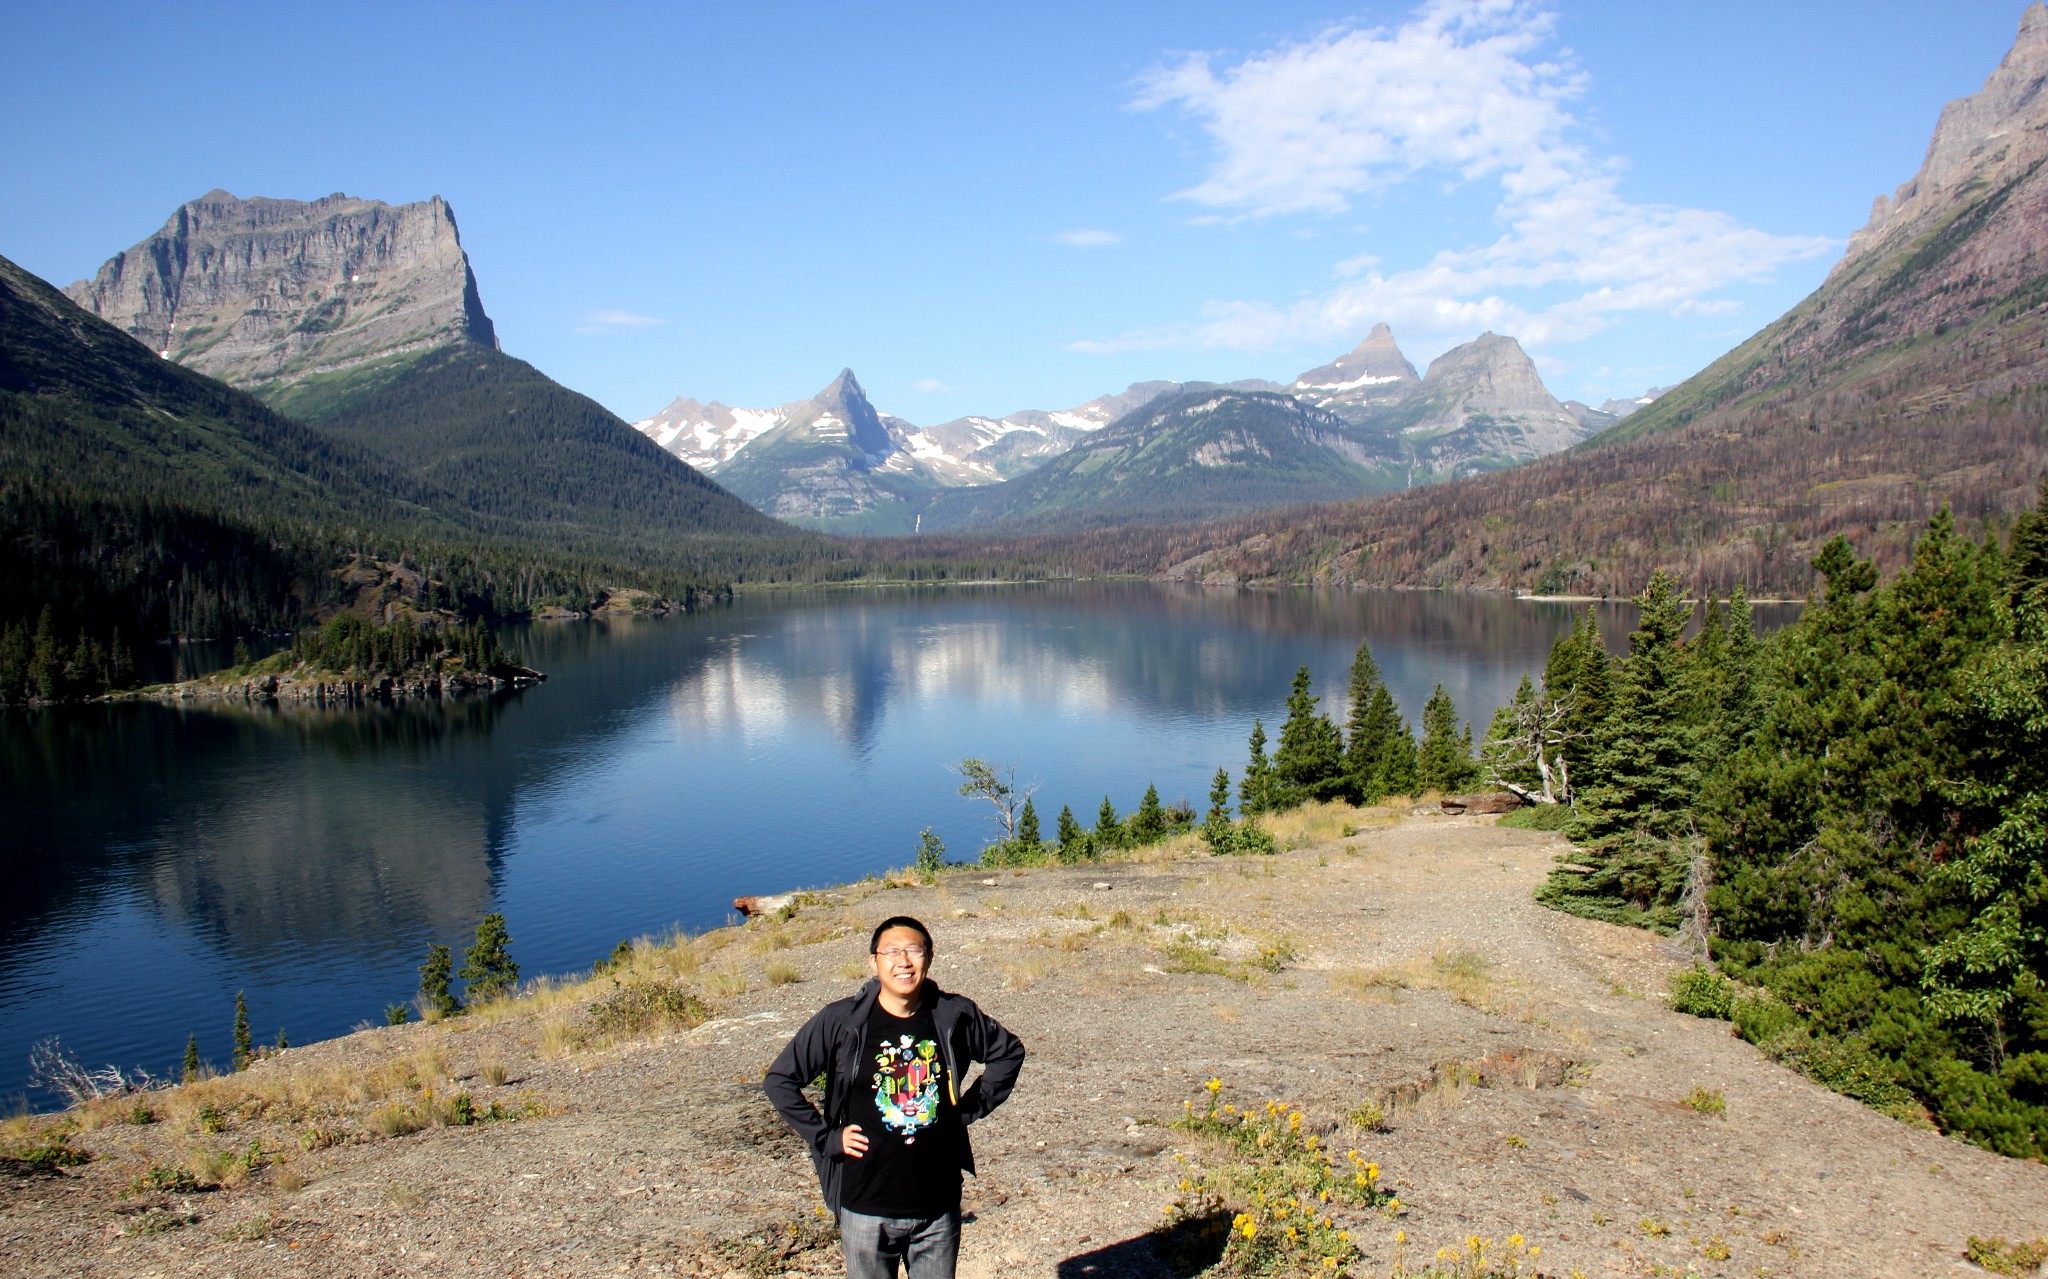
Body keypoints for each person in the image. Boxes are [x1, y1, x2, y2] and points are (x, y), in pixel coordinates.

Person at [764, 914, 1025, 1279]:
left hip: (938, 1204)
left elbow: (1008, 1052)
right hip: (865, 1203)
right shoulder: (842, 1020)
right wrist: (826, 1137)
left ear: (929, 957)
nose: (903, 961)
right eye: (891, 952)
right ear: (874, 961)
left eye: (914, 950)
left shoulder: (954, 1014)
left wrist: (967, 1109)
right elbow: (780, 1079)